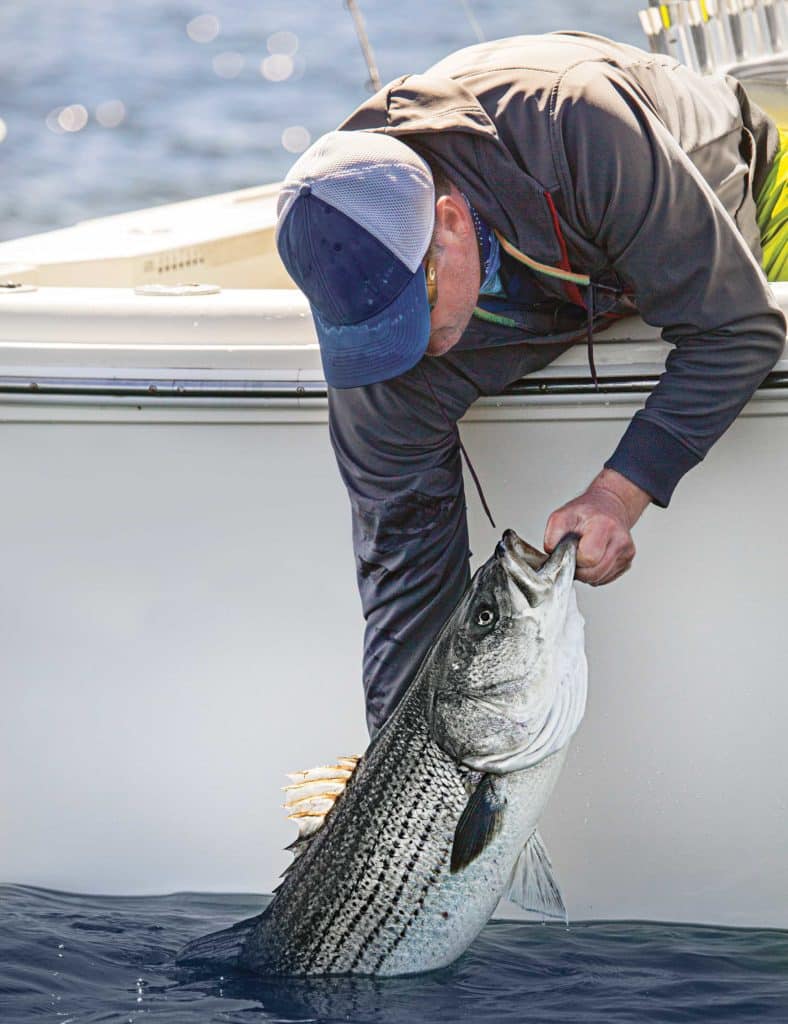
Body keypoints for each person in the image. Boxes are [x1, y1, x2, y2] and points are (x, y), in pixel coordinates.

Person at [275, 32, 787, 735]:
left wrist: (618, 491)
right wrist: (398, 782)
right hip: (573, 277)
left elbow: (737, 328)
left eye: (411, 311)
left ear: (449, 223)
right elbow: (407, 582)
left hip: (744, 194)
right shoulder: (373, 315)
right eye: (373, 333)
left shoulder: (577, 125)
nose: (409, 348)